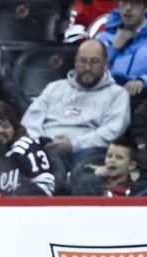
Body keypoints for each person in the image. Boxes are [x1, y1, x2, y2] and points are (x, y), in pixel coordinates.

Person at [21, 39, 130, 170]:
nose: (88, 67)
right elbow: (30, 121)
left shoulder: (117, 94)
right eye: (83, 61)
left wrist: (73, 144)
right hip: (44, 148)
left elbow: (111, 132)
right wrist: (40, 142)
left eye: (94, 62)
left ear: (105, 63)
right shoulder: (54, 88)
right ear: (75, 62)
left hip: (84, 152)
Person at [96, 0, 147, 99]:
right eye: (124, 2)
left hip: (145, 99)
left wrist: (143, 81)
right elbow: (92, 72)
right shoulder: (104, 37)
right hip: (107, 97)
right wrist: (114, 49)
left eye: (135, 2)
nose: (128, 8)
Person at [70, 137, 147, 195]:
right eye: (109, 156)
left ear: (131, 165)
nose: (112, 160)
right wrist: (94, 176)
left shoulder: (135, 190)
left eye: (119, 158)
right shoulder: (91, 183)